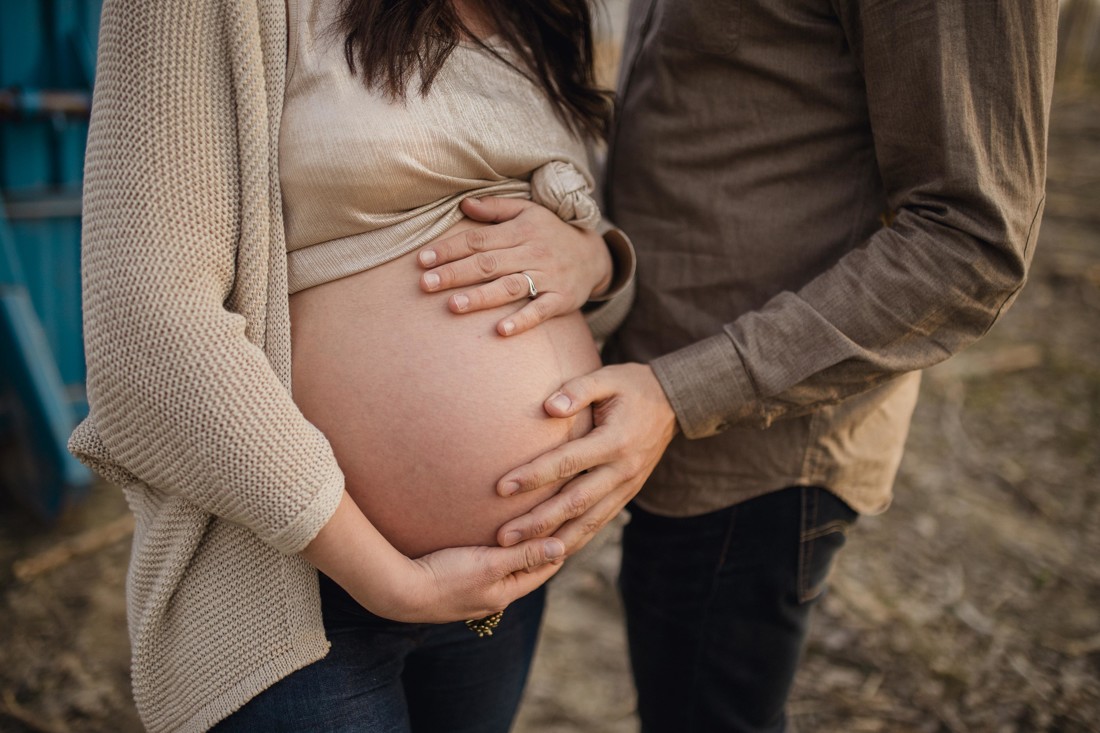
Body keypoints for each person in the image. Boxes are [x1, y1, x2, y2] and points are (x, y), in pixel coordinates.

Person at [429, 1, 1059, 730]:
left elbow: (971, 244)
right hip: (664, 420)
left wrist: (682, 390)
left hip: (757, 452)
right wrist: (596, 252)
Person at [68, 0, 633, 731]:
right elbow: (146, 329)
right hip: (297, 593)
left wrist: (596, 262)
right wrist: (394, 581)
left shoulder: (548, 14)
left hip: (500, 596)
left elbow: (604, 302)